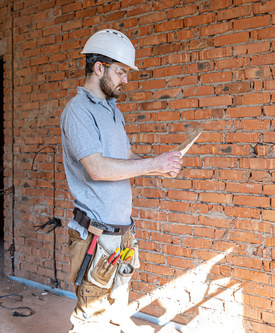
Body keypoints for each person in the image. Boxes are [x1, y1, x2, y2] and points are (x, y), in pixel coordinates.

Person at [60, 29, 183, 333]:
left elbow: (125, 155)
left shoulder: (113, 112)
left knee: (117, 306)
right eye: (121, 71)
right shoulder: (78, 111)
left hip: (122, 233)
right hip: (95, 236)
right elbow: (97, 168)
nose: (126, 79)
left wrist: (158, 168)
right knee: (91, 318)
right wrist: (153, 164)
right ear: (98, 67)